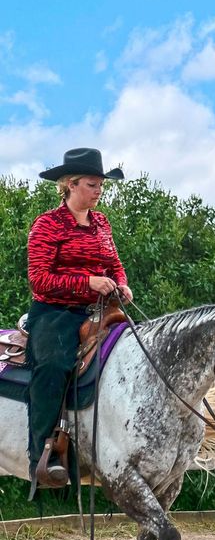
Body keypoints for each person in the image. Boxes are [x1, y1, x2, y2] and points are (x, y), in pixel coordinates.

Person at [25, 148, 133, 494]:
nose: (99, 190)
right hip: (56, 313)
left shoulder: (102, 223)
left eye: (101, 184)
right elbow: (39, 280)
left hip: (100, 312)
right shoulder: (47, 225)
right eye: (92, 184)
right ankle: (43, 458)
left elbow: (113, 263)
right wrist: (87, 282)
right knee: (53, 367)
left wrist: (122, 283)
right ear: (70, 185)